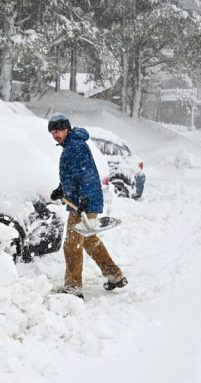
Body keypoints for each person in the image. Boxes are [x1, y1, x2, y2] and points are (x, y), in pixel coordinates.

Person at [47, 113, 127, 299]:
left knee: (71, 245)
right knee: (89, 240)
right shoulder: (72, 145)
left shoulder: (75, 146)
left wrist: (84, 200)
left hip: (83, 202)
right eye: (53, 132)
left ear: (67, 129)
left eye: (58, 130)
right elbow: (73, 175)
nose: (55, 135)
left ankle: (73, 288)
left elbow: (87, 175)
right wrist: (61, 189)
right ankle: (115, 276)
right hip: (81, 200)